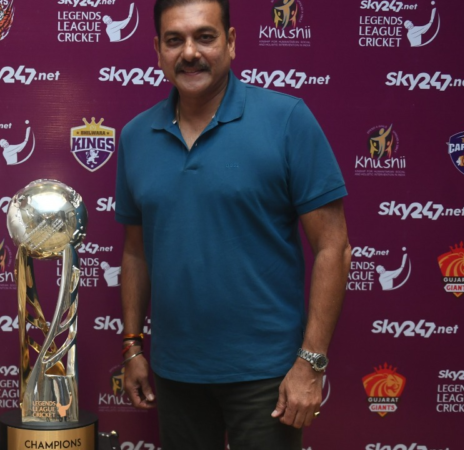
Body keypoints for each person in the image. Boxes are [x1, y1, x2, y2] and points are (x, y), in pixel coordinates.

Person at [114, 1, 350, 449]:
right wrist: (132, 346)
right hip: (176, 371)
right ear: (157, 50)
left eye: (205, 36)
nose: (189, 52)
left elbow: (333, 248)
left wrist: (311, 363)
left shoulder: (287, 120)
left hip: (269, 375)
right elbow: (134, 251)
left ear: (232, 42)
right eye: (174, 40)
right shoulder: (134, 136)